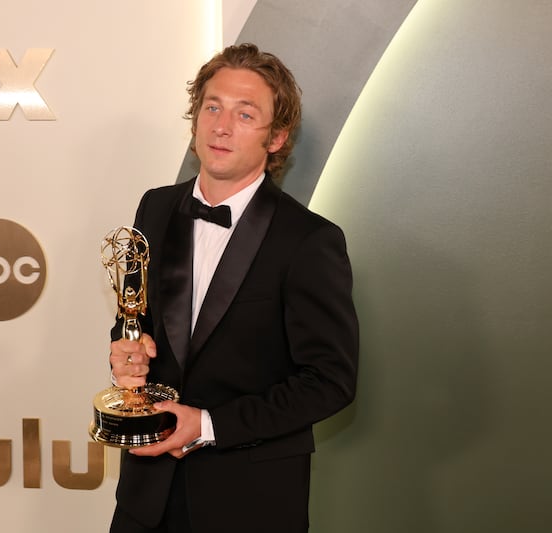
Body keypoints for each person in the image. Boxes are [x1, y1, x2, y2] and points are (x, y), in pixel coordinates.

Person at [108, 43, 359, 533]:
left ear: (277, 138)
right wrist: (125, 354)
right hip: (144, 499)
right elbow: (132, 319)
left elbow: (331, 381)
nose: (222, 126)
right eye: (213, 107)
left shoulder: (310, 240)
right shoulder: (153, 209)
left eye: (246, 114)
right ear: (196, 117)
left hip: (249, 506)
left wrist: (205, 425)